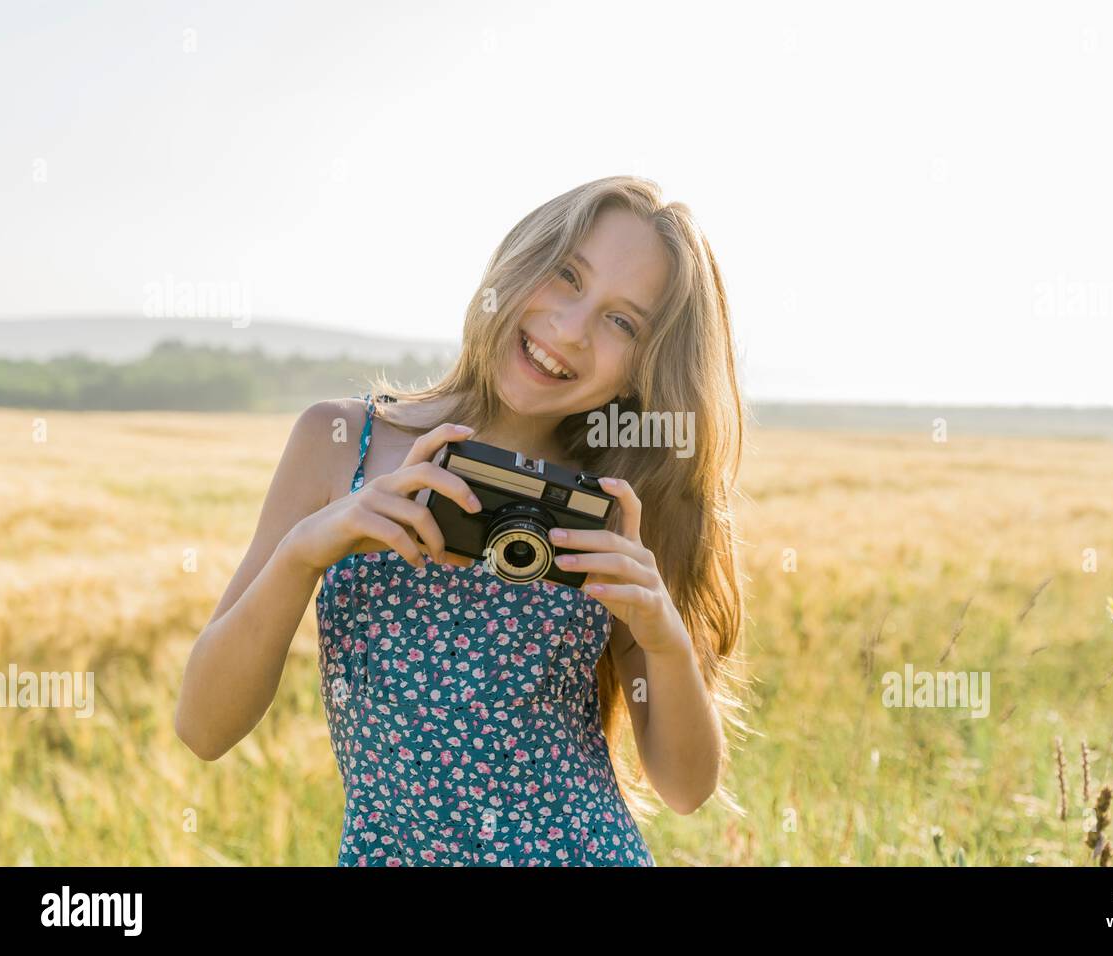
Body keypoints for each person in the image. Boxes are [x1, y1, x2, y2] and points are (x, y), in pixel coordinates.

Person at [175, 175, 751, 865]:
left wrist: (663, 636)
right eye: (567, 276)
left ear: (640, 372)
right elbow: (204, 728)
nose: (569, 330)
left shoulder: (614, 505)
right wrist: (305, 552)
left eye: (622, 321)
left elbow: (686, 789)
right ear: (519, 262)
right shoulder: (339, 442)